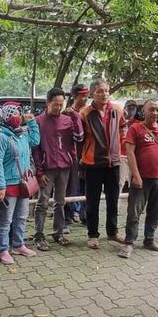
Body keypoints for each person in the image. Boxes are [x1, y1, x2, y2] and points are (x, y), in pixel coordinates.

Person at [119, 101, 158, 258]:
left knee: (155, 212)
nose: (155, 113)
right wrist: (136, 175)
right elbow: (130, 153)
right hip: (142, 178)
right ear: (144, 111)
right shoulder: (135, 128)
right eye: (152, 110)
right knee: (134, 212)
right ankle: (129, 242)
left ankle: (149, 239)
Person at [32, 88, 84, 250]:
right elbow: (35, 149)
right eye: (55, 104)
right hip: (46, 169)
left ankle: (58, 232)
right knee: (42, 202)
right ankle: (39, 235)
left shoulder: (67, 120)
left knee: (60, 202)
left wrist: (76, 118)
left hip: (64, 167)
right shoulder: (38, 121)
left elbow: (79, 137)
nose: (58, 108)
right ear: (48, 103)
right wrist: (39, 172)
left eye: (61, 104)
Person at [79, 79, 126, 249]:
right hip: (92, 163)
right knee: (92, 201)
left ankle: (112, 232)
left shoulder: (117, 110)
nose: (104, 94)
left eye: (106, 91)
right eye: (100, 91)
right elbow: (80, 138)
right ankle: (92, 234)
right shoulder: (85, 113)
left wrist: (121, 150)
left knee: (113, 199)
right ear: (92, 94)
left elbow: (122, 130)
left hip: (113, 162)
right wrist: (81, 159)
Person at [0, 102, 41, 264]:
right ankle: (3, 249)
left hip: (24, 183)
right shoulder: (1, 136)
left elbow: (35, 140)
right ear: (5, 116)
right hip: (8, 184)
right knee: (6, 219)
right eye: (13, 114)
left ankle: (18, 244)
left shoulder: (23, 134)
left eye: (18, 114)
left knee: (21, 216)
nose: (17, 117)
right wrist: (0, 185)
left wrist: (32, 122)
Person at [64, 83, 89, 226]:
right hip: (73, 156)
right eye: (81, 96)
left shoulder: (88, 112)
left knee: (86, 187)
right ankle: (68, 216)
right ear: (74, 96)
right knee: (71, 187)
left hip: (88, 155)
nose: (84, 99)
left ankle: (84, 215)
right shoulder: (68, 113)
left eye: (86, 96)